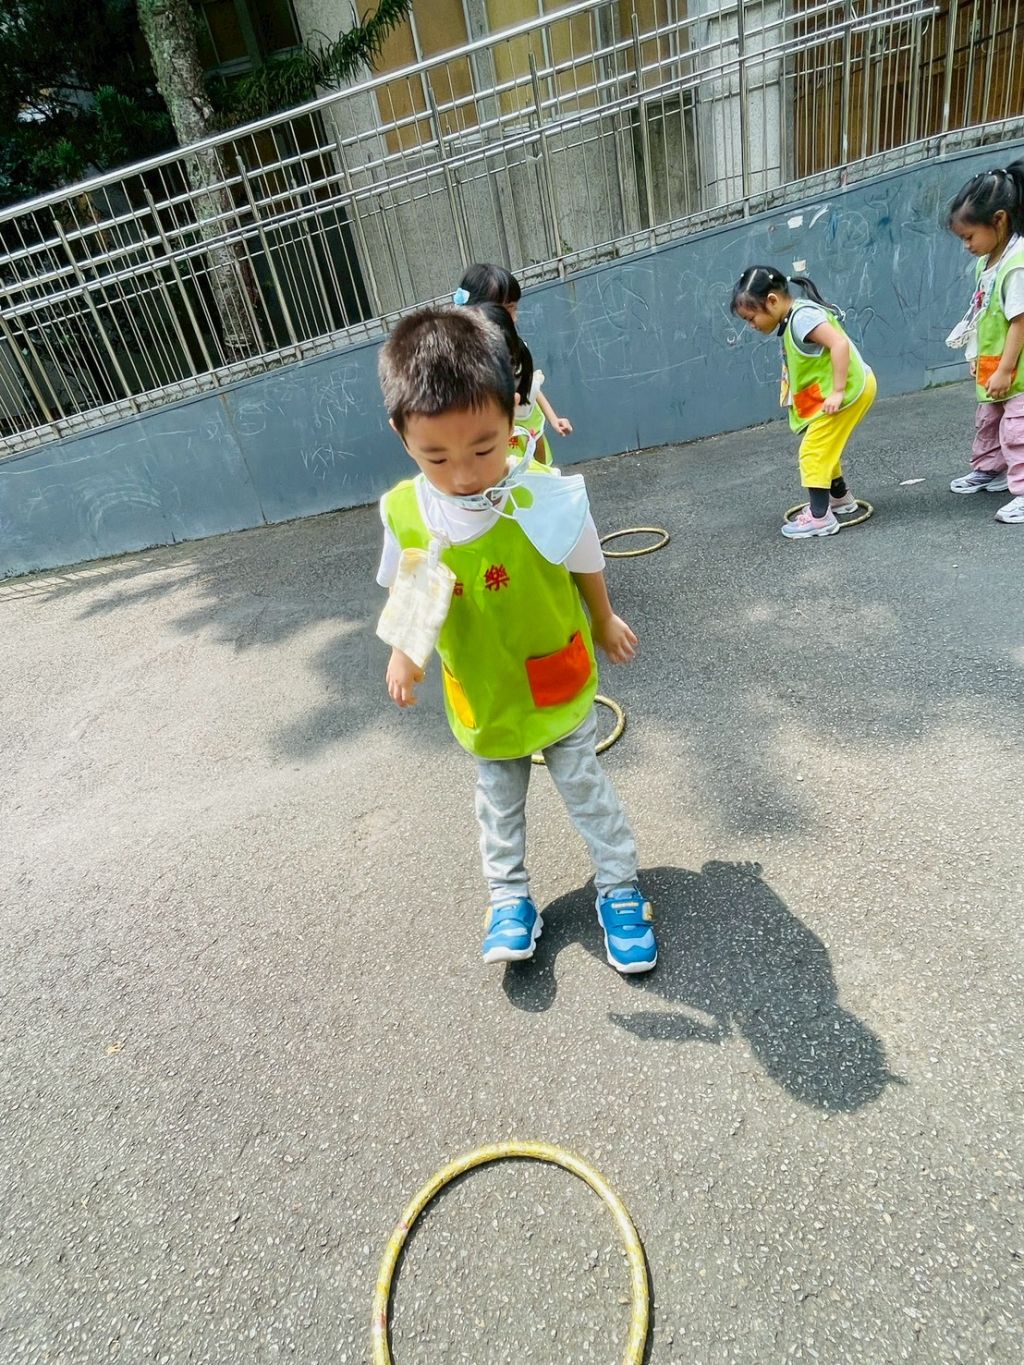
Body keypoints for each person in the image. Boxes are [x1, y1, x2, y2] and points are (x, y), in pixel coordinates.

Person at [375, 305, 657, 974]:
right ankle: (508, 899)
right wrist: (404, 654)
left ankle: (620, 887)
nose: (463, 473)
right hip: (487, 691)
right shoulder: (408, 510)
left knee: (585, 786)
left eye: (484, 448)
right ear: (402, 436)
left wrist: (603, 619)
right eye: (436, 456)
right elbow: (411, 585)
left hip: (554, 674)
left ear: (513, 417)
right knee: (497, 805)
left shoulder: (541, 493)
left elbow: (585, 557)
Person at [731, 266, 877, 538]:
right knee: (823, 445)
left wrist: (838, 391)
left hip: (848, 392)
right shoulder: (793, 318)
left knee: (812, 452)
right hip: (844, 391)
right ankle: (839, 497)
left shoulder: (802, 318)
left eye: (751, 318)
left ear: (772, 301)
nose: (751, 325)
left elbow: (839, 344)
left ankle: (820, 518)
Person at [945, 161, 1024, 524]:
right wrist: (975, 354)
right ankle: (991, 469)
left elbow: (1020, 321)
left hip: (1016, 369)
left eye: (969, 237)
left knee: (1017, 430)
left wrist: (1006, 369)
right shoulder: (986, 262)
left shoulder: (1017, 264)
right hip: (993, 364)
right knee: (989, 420)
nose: (966, 246)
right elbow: (982, 312)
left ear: (999, 220)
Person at [453, 262, 572, 465]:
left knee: (543, 470)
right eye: (507, 309)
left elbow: (530, 384)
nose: (515, 318)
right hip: (506, 440)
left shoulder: (516, 345)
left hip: (531, 426)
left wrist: (553, 419)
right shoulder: (468, 362)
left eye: (515, 308)